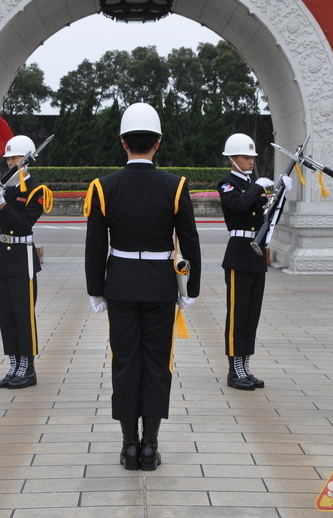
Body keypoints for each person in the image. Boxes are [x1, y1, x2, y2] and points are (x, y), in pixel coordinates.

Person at [84, 102, 201, 471]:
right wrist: (191, 288)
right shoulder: (175, 185)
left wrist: (95, 289)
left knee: (124, 363)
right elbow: (189, 239)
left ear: (123, 143)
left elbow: (95, 243)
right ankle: (150, 447)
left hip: (119, 285)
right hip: (160, 287)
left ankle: (128, 446)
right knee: (156, 364)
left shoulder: (103, 186)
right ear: (158, 143)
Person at [0, 135, 53, 389]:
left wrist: (2, 202)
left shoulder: (37, 191)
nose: (8, 162)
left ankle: (28, 368)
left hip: (21, 259)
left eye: (14, 158)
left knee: (23, 315)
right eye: (7, 158)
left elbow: (24, 225)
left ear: (25, 160)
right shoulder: (4, 187)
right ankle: (14, 365)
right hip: (2, 258)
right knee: (6, 315)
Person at [217, 133, 291, 390]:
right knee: (237, 315)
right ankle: (234, 370)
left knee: (251, 315)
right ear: (232, 160)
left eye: (252, 157)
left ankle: (245, 366)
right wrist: (258, 187)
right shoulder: (227, 184)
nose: (250, 161)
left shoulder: (253, 186)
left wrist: (281, 194)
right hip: (238, 253)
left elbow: (267, 217)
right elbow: (239, 205)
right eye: (245, 157)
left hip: (257, 253)